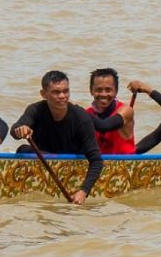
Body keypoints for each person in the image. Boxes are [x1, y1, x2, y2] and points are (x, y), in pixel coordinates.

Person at [10, 69, 103, 205]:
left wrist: (83, 191)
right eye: (56, 92)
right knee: (23, 149)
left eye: (66, 91)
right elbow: (14, 131)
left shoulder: (81, 117)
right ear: (43, 94)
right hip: (44, 163)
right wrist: (21, 129)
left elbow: (97, 161)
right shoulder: (35, 110)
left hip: (72, 165)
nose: (62, 96)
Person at [86, 67, 135, 155]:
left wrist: (76, 110)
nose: (103, 94)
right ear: (91, 91)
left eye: (108, 90)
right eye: (98, 90)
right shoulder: (87, 113)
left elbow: (104, 126)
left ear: (116, 91)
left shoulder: (126, 110)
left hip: (124, 166)